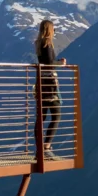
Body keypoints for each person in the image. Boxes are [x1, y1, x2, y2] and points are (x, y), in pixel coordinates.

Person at [35, 20, 64, 156]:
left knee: (41, 116)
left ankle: (40, 148)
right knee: (56, 114)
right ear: (49, 30)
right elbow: (49, 62)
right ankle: (46, 147)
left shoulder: (38, 43)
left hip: (41, 81)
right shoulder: (47, 43)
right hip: (49, 83)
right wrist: (61, 63)